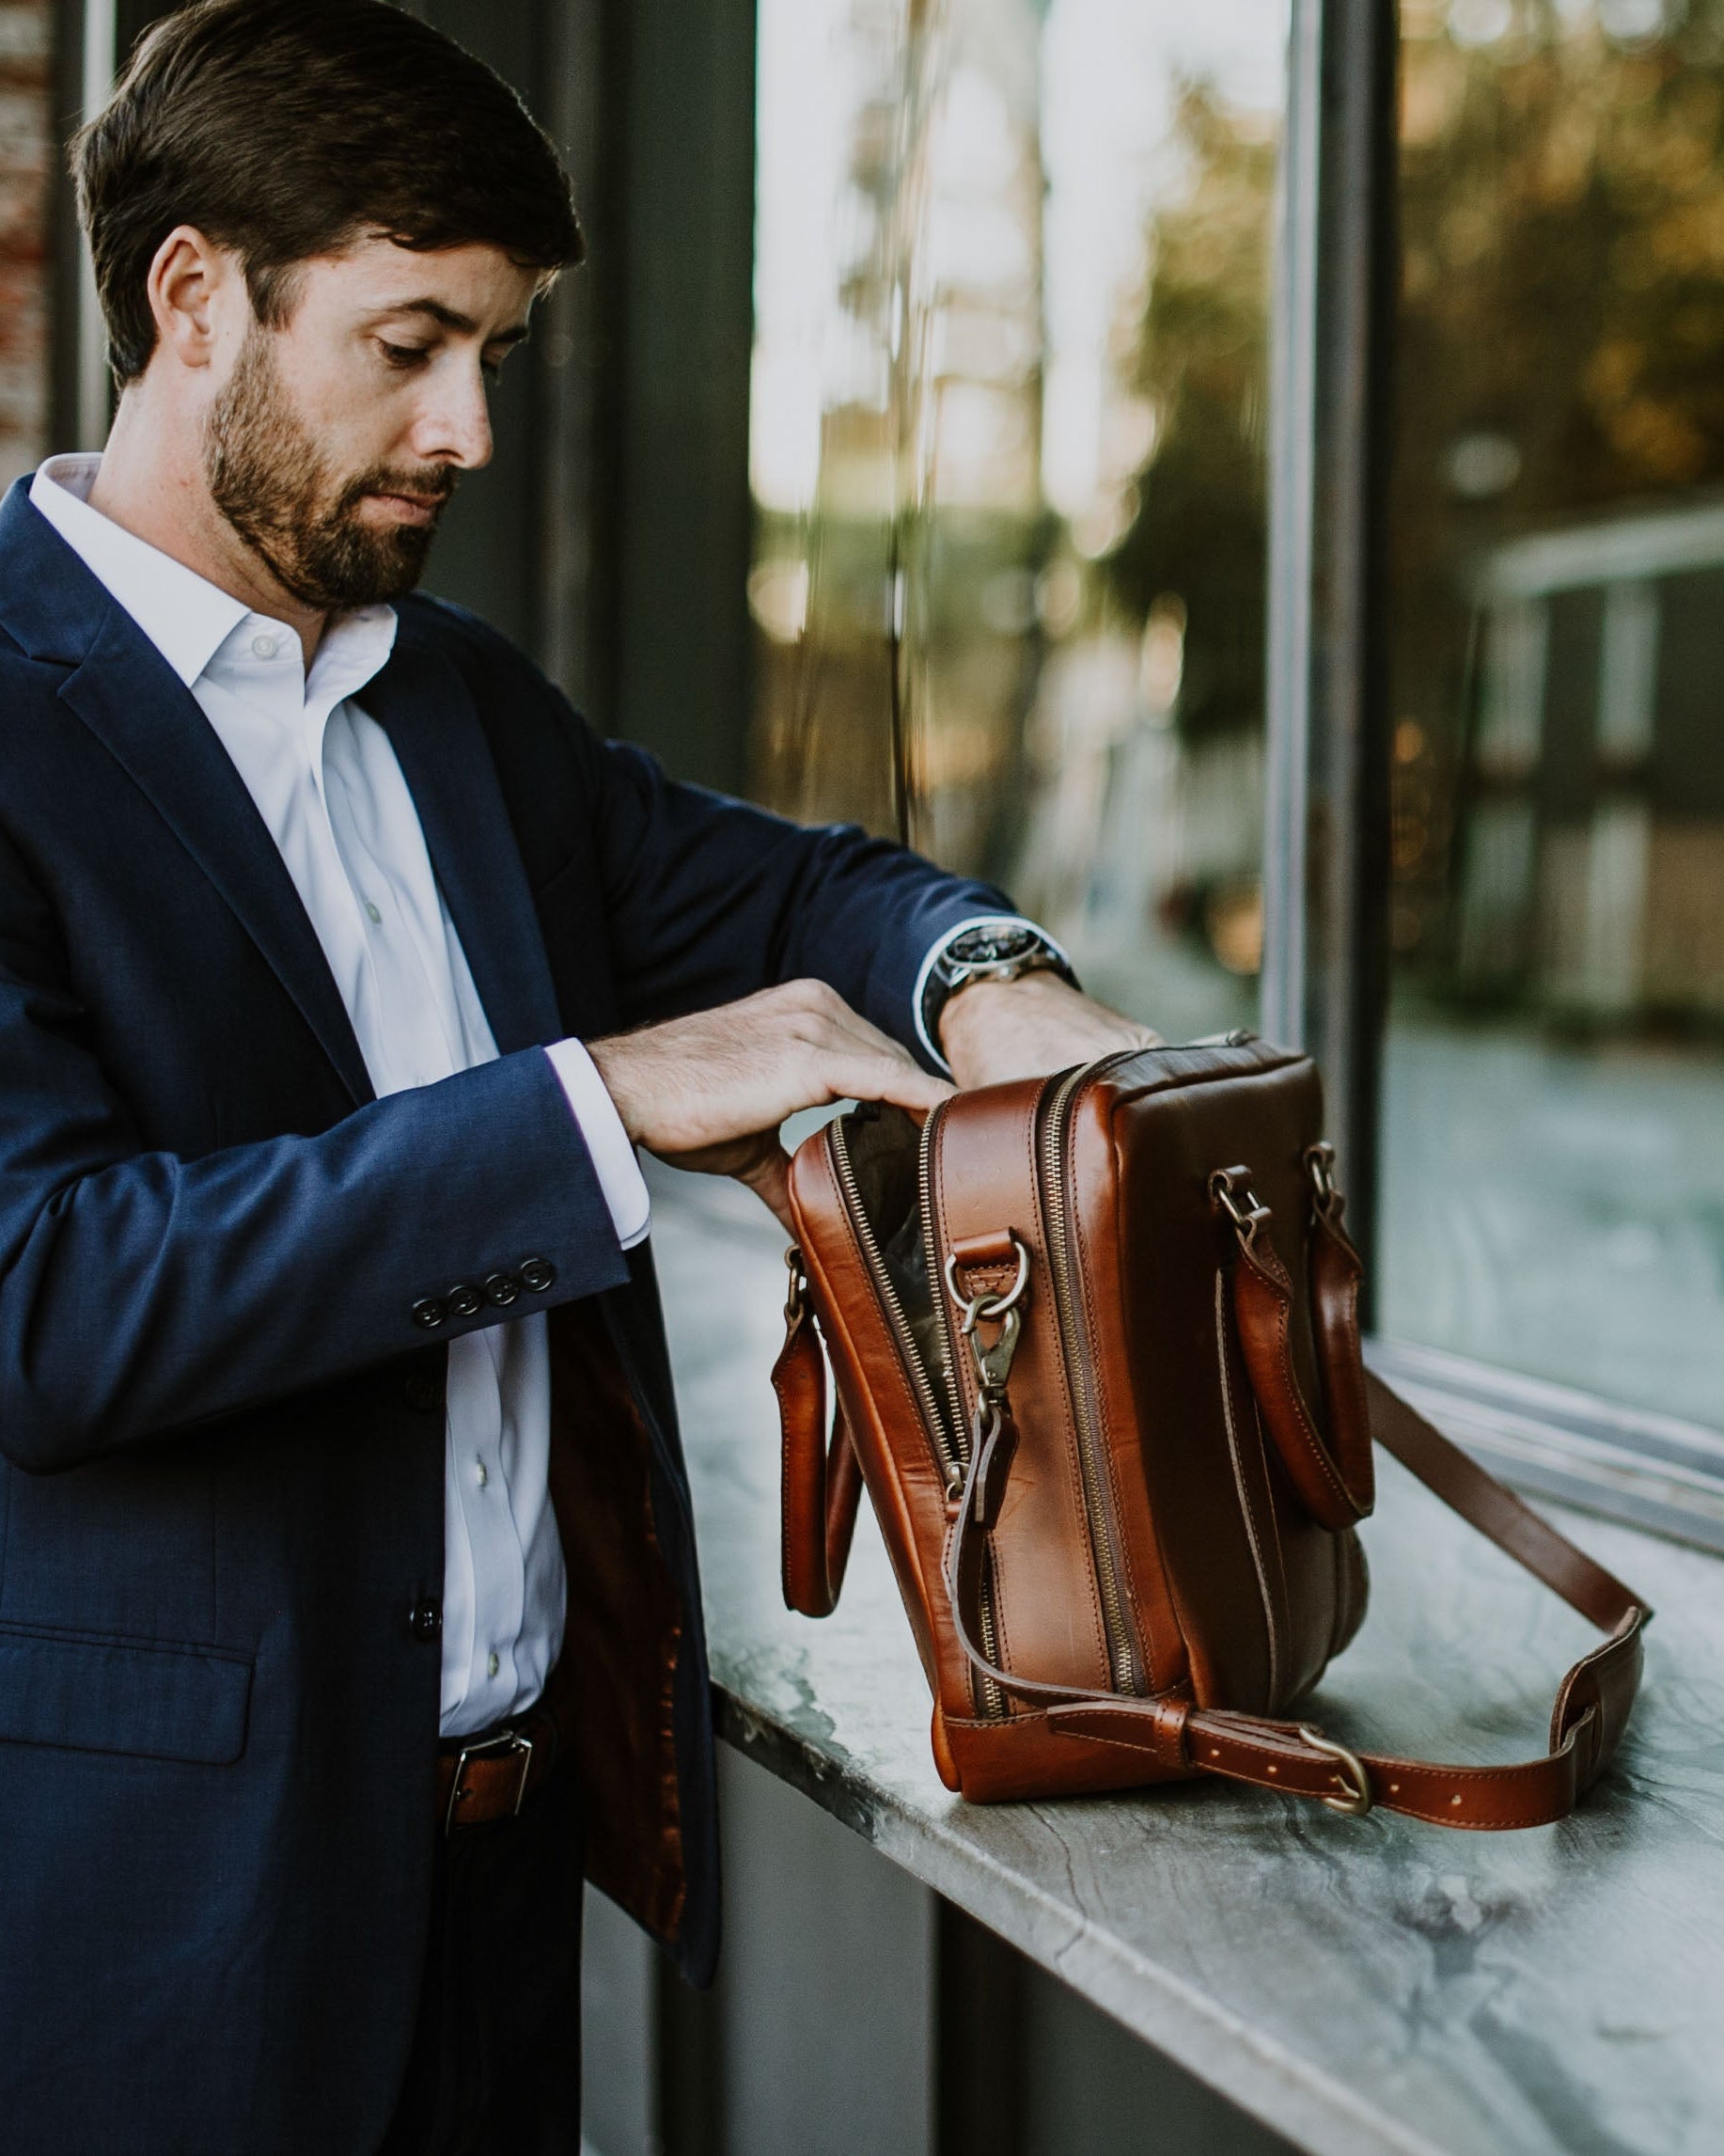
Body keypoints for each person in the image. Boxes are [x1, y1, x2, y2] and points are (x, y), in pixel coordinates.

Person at [0, 4, 1152, 2150]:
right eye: (409, 341)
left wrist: (987, 985)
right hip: (153, 1949)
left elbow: (804, 889)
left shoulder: (458, 706)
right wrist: (595, 1105)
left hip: (506, 1894)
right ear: (190, 298)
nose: (469, 430)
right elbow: (47, 1305)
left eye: (496, 359)